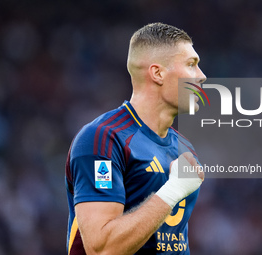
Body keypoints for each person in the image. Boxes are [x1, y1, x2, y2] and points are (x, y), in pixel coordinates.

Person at [65, 22, 207, 255]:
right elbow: (102, 249)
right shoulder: (103, 139)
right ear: (157, 73)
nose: (201, 76)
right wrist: (172, 191)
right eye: (191, 65)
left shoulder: (184, 148)